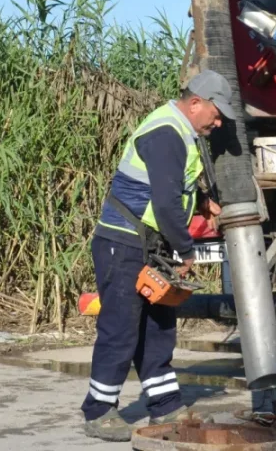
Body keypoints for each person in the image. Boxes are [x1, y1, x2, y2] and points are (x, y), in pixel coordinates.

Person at [81, 70, 232, 441]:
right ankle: (99, 410)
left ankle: (165, 404)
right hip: (124, 243)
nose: (219, 121)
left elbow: (169, 190)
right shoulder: (167, 132)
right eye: (215, 112)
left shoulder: (182, 133)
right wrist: (185, 250)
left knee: (158, 327)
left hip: (146, 244)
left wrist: (201, 205)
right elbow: (165, 203)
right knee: (121, 328)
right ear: (194, 102)